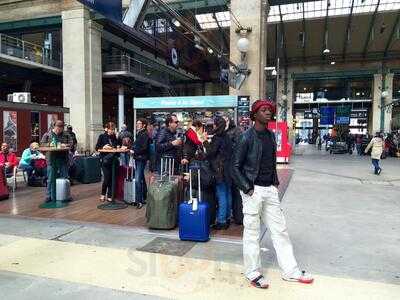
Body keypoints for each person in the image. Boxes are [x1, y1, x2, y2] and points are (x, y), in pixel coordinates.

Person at [232, 100, 313, 289]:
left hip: (269, 190)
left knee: (280, 231)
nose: (268, 112)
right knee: (252, 233)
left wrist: (275, 182)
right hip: (253, 191)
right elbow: (234, 167)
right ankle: (253, 272)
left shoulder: (269, 136)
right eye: (264, 110)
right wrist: (248, 189)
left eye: (270, 110)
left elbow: (270, 161)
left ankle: (290, 271)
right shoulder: (246, 137)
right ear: (254, 115)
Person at [203, 116, 232, 230]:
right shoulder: (227, 137)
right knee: (227, 193)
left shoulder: (217, 138)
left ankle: (221, 221)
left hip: (220, 171)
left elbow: (211, 153)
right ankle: (228, 217)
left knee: (221, 195)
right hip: (228, 170)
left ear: (217, 125)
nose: (213, 126)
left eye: (214, 124)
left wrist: (205, 141)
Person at [41, 120, 73, 202]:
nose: (59, 129)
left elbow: (71, 143)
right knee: (50, 178)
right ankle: (49, 196)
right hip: (51, 158)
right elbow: (42, 144)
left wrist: (65, 145)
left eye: (61, 127)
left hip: (63, 158)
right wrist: (49, 144)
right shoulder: (47, 134)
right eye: (58, 127)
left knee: (65, 177)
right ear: (54, 127)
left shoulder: (66, 134)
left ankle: (66, 195)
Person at [95, 122, 119, 202]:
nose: (112, 131)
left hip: (113, 159)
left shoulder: (114, 137)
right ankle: (103, 194)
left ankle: (110, 195)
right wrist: (103, 147)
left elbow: (116, 147)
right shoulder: (102, 136)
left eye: (113, 129)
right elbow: (97, 147)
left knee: (113, 178)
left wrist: (117, 146)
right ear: (107, 129)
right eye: (111, 129)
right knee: (107, 178)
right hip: (105, 159)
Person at [133, 118, 150, 209]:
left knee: (137, 179)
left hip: (140, 158)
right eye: (137, 123)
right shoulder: (140, 133)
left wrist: (134, 151)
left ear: (144, 125)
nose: (137, 125)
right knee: (141, 177)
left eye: (139, 123)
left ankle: (138, 201)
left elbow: (143, 148)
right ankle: (144, 197)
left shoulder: (144, 134)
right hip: (139, 158)